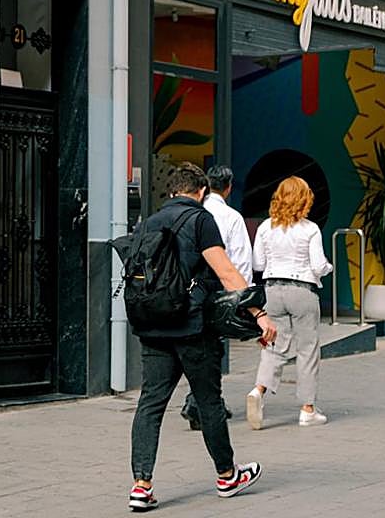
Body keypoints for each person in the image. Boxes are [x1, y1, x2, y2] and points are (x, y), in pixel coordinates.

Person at [128, 163, 277, 512]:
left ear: (171, 191)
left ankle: (141, 484)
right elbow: (226, 272)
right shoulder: (201, 220)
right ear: (202, 193)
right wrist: (258, 314)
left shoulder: (149, 222)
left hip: (152, 325)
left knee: (150, 404)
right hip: (192, 326)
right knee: (209, 401)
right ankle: (227, 475)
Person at [246, 176, 334, 430]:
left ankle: (258, 391)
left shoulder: (265, 228)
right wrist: (328, 268)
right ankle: (307, 409)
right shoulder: (310, 229)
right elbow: (318, 265)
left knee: (273, 344)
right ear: (305, 200)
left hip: (272, 290)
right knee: (307, 349)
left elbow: (258, 265)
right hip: (302, 290)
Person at [180, 165, 252, 430]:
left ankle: (201, 400)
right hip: (219, 290)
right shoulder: (231, 217)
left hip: (186, 291)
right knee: (213, 350)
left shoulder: (188, 213)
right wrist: (244, 300)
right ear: (229, 187)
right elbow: (242, 260)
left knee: (195, 345)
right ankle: (200, 402)